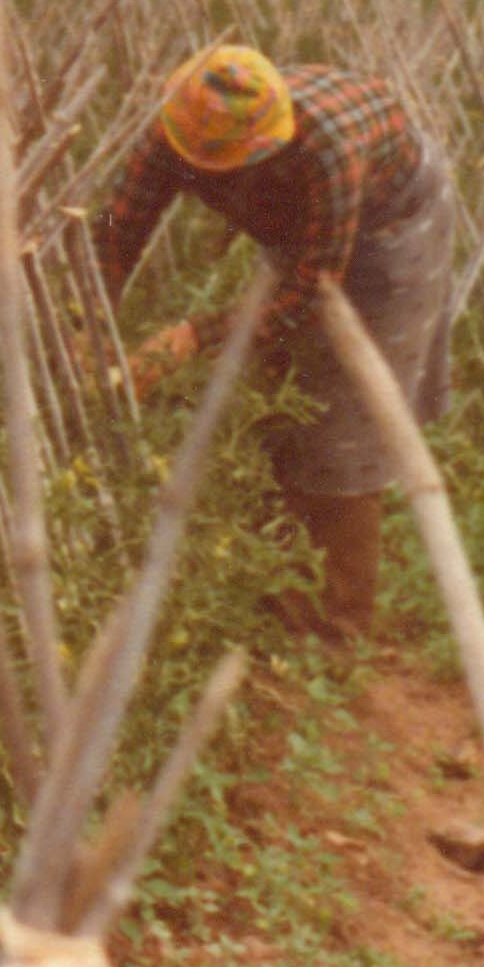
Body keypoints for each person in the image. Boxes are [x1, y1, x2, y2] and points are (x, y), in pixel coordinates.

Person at [92, 44, 455, 646]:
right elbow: (117, 226)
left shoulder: (325, 152)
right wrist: (90, 321)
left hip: (390, 225)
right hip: (314, 228)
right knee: (281, 393)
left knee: (347, 416)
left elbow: (310, 294)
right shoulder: (183, 123)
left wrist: (190, 337)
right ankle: (279, 589)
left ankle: (338, 630)